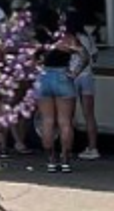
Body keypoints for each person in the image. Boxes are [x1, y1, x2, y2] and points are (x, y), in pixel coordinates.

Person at [32, 19, 80, 174]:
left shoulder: (39, 39)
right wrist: (75, 72)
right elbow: (85, 55)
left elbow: (30, 59)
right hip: (62, 75)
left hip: (44, 77)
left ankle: (51, 160)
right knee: (65, 121)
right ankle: (65, 160)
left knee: (47, 121)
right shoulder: (68, 38)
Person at [69, 12, 101, 161]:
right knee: (89, 115)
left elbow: (83, 57)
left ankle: (67, 147)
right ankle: (93, 147)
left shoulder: (71, 38)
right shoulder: (88, 37)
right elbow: (94, 55)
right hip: (88, 77)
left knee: (68, 114)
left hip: (73, 76)